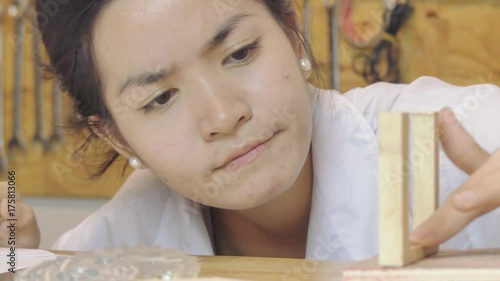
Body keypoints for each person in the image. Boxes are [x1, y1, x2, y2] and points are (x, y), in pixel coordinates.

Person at [1, 0, 499, 260]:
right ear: (118, 137)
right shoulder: (117, 243)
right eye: (160, 98)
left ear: (289, 31)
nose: (223, 115)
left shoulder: (455, 141)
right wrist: (14, 258)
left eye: (240, 53)